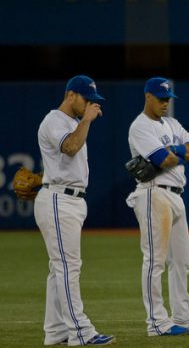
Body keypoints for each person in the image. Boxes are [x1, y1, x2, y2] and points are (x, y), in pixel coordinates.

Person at [126, 77, 189, 336]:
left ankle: (183, 317)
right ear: (148, 97)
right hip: (154, 194)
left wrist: (176, 149)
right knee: (155, 261)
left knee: (182, 260)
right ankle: (156, 322)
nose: (165, 103)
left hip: (176, 196)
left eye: (168, 99)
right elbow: (162, 159)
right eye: (161, 98)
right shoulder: (140, 127)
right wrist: (177, 152)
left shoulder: (173, 123)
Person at [33, 75, 115, 346]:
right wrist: (87, 120)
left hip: (69, 199)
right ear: (71, 95)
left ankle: (55, 331)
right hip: (59, 199)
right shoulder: (55, 120)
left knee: (59, 268)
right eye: (87, 99)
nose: (91, 104)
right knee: (68, 267)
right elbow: (70, 147)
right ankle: (81, 332)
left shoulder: (71, 123)